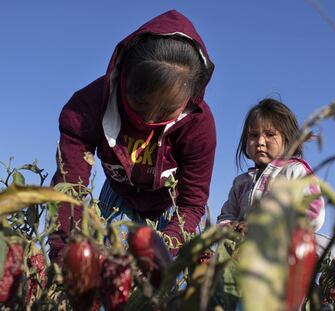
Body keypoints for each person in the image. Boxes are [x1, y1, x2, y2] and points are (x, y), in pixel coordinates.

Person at [49, 10, 216, 261]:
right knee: (108, 271)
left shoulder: (198, 125)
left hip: (172, 206)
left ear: (190, 96)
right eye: (140, 104)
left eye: (167, 111)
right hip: (118, 197)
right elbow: (69, 189)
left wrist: (162, 254)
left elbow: (191, 202)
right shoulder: (88, 107)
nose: (149, 120)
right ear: (124, 76)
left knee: (168, 287)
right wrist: (66, 254)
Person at [217, 98, 325, 232]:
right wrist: (229, 227)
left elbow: (314, 214)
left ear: (288, 139)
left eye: (270, 134)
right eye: (253, 135)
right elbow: (226, 215)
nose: (260, 142)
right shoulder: (241, 183)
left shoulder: (295, 173)